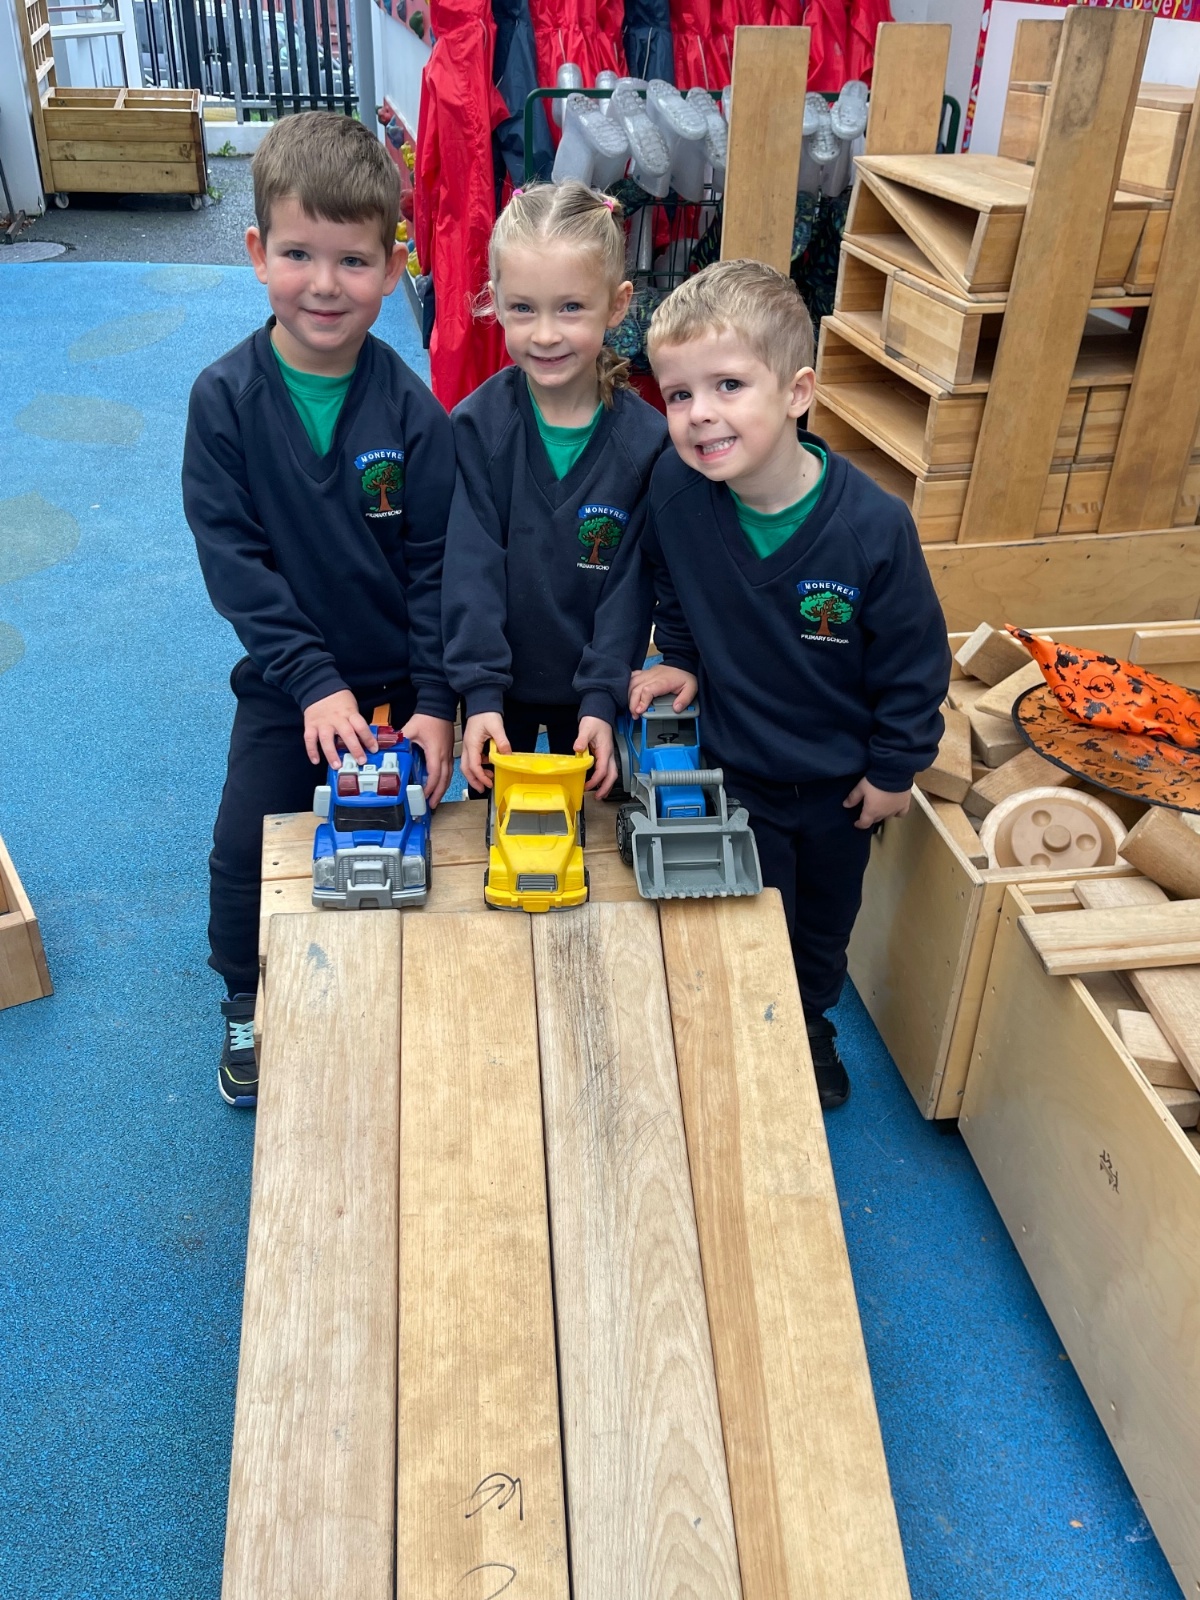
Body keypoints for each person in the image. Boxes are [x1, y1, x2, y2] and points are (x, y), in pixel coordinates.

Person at [182, 112, 456, 1109]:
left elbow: (437, 569)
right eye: (299, 254)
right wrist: (310, 682)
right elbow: (236, 565)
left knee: (426, 844)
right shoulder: (224, 402)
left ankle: (404, 980)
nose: (326, 284)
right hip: (285, 686)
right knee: (244, 843)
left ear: (393, 268)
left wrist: (438, 702)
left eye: (353, 260)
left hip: (398, 691)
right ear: (258, 253)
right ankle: (244, 997)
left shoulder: (414, 413)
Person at [631, 259, 950, 1109]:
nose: (700, 414)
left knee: (821, 926)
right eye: (679, 395)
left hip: (841, 786)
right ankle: (752, 1019)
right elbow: (671, 581)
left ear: (798, 392)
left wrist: (895, 768)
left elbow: (915, 661)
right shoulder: (677, 493)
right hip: (738, 771)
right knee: (748, 907)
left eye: (729, 385)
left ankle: (808, 1023)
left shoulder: (874, 528)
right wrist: (679, 655)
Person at [442, 181, 668, 798]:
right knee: (499, 837)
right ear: (494, 302)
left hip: (595, 702)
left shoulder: (647, 444)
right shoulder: (476, 428)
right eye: (523, 308)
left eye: (570, 308)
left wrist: (602, 695)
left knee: (600, 836)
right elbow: (470, 570)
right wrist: (479, 693)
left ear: (617, 305)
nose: (545, 334)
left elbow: (630, 588)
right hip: (498, 702)